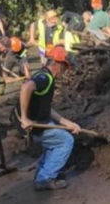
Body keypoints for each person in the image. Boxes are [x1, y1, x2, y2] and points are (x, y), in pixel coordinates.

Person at [18, 47, 82, 191]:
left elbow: (47, 108)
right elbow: (26, 87)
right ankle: (45, 178)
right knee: (66, 141)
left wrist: (68, 123)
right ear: (59, 65)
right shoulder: (45, 78)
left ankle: (42, 174)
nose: (64, 72)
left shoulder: (44, 75)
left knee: (55, 142)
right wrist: (25, 118)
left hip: (41, 121)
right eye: (65, 68)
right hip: (35, 124)